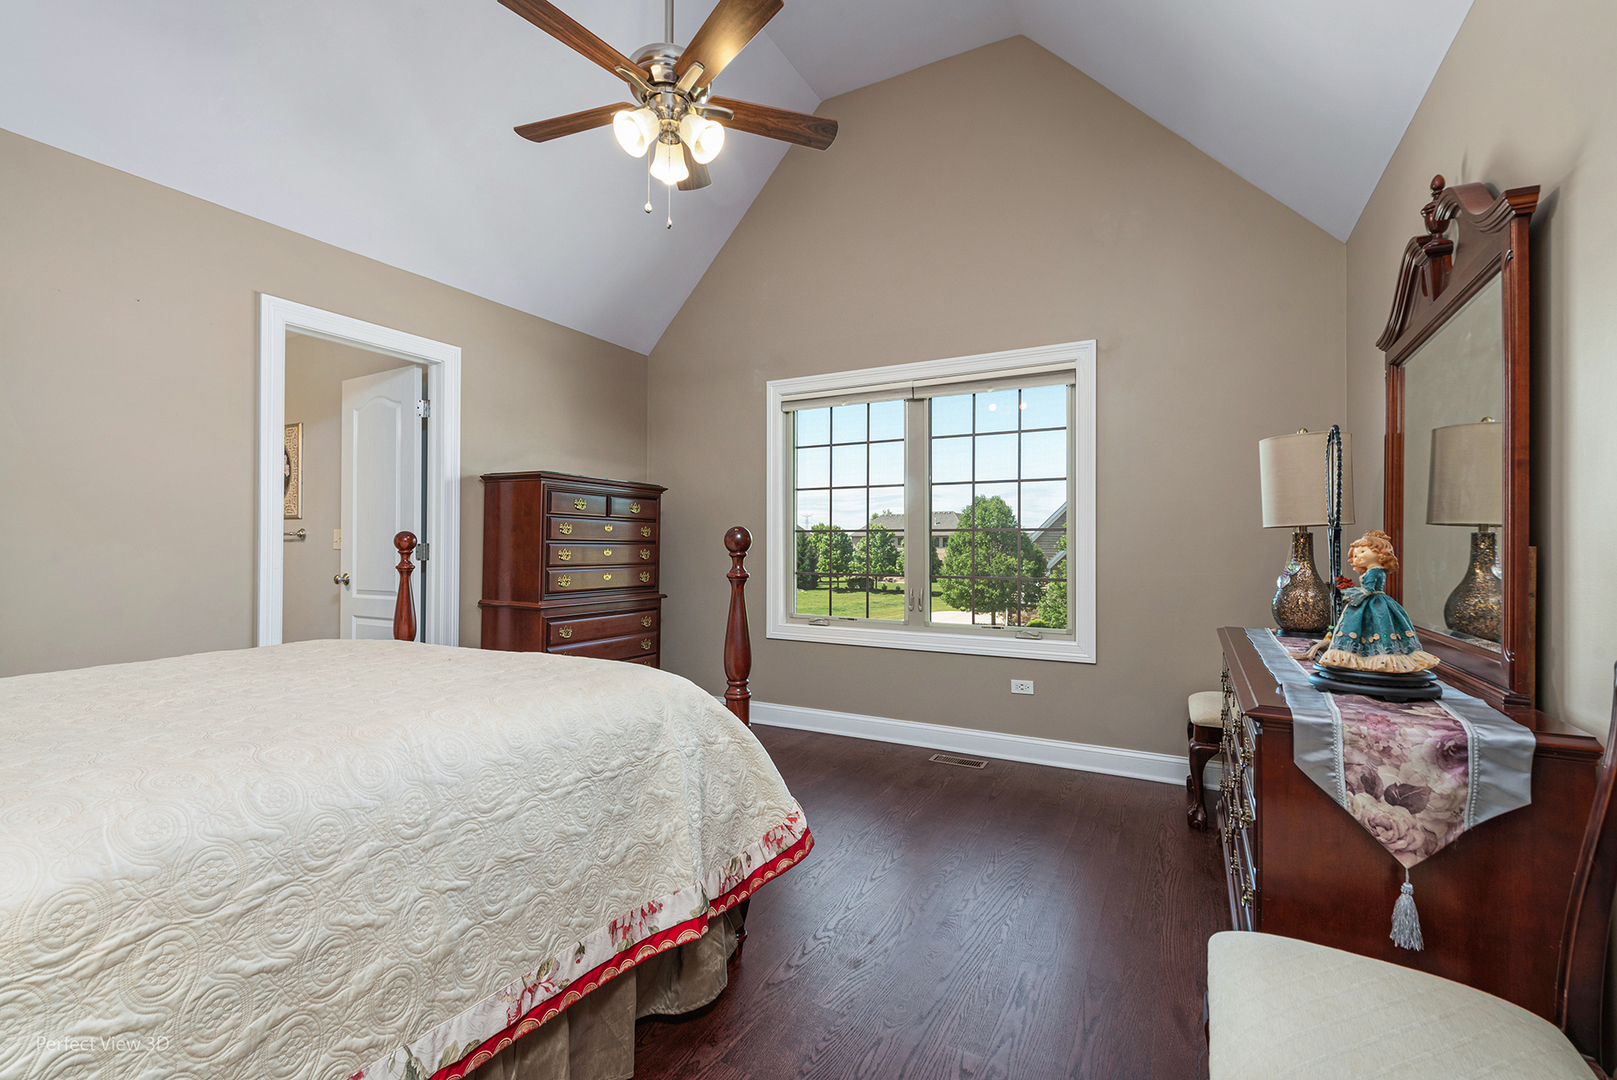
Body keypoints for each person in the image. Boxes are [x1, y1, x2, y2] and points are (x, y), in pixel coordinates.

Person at [1316, 530, 1440, 673]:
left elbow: (1368, 590)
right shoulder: (1372, 571)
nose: (1358, 557)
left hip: (1374, 602)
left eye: (1363, 552)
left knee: (1377, 624)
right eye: (1355, 555)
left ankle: (1378, 657)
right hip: (1371, 600)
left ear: (1380, 553)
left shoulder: (1375, 571)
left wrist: (1351, 592)